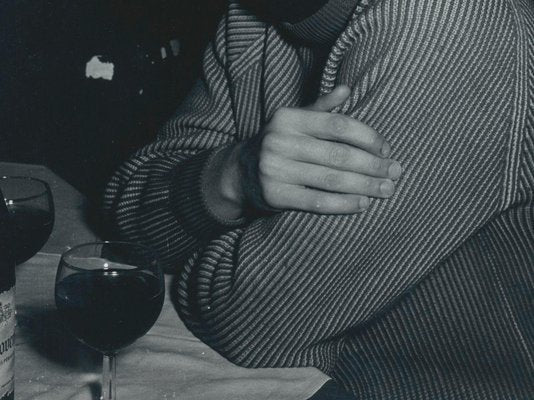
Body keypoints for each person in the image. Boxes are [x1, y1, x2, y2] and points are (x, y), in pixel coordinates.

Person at [104, 0, 534, 398]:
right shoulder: (251, 18)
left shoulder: (450, 20)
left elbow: (252, 320)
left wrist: (208, 226)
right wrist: (234, 173)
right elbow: (130, 225)